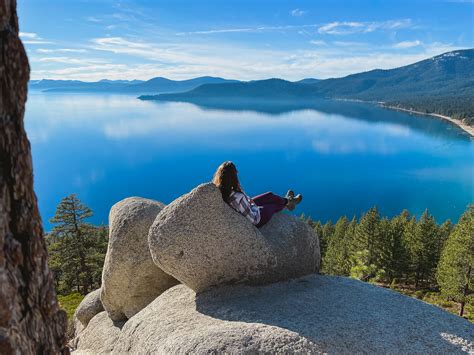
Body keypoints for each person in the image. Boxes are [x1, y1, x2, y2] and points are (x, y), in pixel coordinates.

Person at [212, 161, 302, 228]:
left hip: (247, 207)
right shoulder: (238, 197)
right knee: (273, 205)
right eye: (236, 172)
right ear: (232, 177)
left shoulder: (220, 191)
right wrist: (257, 207)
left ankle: (288, 200)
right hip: (258, 218)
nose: (238, 174)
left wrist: (250, 202)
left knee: (269, 195)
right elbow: (252, 219)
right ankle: (289, 202)